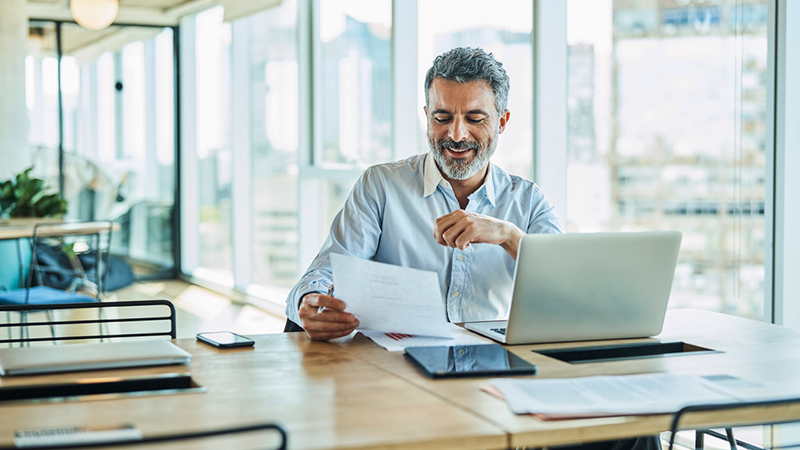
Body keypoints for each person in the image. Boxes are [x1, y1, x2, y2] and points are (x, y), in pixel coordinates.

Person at [284, 46, 561, 338]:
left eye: (475, 119)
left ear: (502, 122)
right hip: (391, 369)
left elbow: (568, 289)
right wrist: (309, 303)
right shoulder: (381, 186)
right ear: (427, 116)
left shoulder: (528, 202)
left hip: (490, 370)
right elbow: (329, 270)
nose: (456, 135)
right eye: (442, 118)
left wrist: (509, 236)